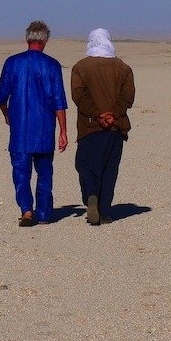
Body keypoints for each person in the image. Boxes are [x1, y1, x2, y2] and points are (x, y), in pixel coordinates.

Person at [0, 20, 68, 227]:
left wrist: (7, 114)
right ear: (45, 40)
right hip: (44, 129)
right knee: (44, 172)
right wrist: (63, 131)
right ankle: (43, 214)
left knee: (21, 173)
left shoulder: (12, 63)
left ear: (27, 39)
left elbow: (1, 97)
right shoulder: (52, 65)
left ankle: (27, 211)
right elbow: (58, 101)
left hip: (20, 129)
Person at [69, 28, 136, 226]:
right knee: (109, 168)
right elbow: (127, 97)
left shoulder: (80, 67)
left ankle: (91, 195)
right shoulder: (123, 68)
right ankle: (105, 211)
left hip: (89, 127)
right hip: (115, 127)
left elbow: (79, 96)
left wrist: (98, 115)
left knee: (86, 165)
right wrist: (112, 115)